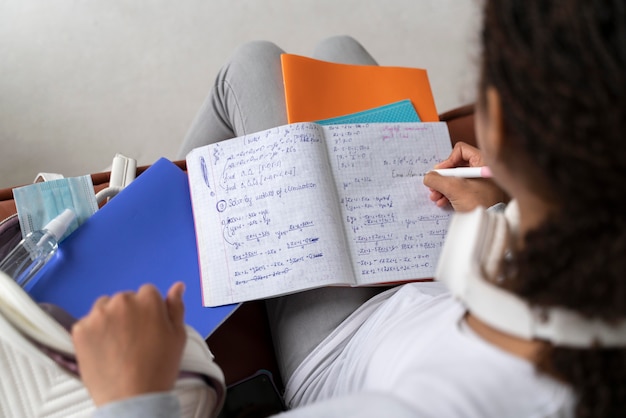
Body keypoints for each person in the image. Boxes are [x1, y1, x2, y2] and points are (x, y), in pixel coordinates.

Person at [72, 0, 626, 416]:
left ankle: (128, 225)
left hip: (346, 350)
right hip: (439, 288)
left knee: (251, 65)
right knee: (339, 52)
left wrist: (133, 398)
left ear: (496, 124)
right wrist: (500, 212)